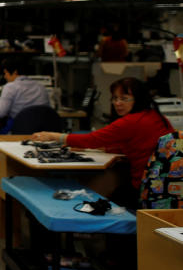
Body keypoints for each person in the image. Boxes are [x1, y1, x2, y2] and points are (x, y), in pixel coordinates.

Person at [31, 77, 174, 199]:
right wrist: (104, 148)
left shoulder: (131, 121)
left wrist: (54, 136)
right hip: (168, 185)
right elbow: (138, 143)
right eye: (115, 98)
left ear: (138, 99)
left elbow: (91, 140)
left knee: (113, 196)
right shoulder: (156, 116)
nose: (118, 103)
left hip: (147, 189)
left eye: (124, 99)